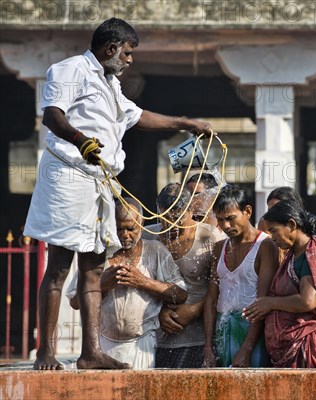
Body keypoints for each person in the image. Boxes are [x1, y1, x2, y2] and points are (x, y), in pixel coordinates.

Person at [24, 18, 213, 370]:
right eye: (127, 53)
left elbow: (138, 116)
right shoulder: (70, 69)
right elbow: (51, 115)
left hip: (100, 181)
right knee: (59, 268)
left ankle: (90, 352)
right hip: (69, 176)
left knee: (94, 269)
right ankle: (46, 353)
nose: (129, 60)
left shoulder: (111, 85)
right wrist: (81, 141)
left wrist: (186, 123)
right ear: (111, 49)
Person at [68, 198, 188, 369]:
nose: (125, 235)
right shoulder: (98, 253)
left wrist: (143, 281)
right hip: (102, 345)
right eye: (119, 229)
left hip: (142, 345)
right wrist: (101, 286)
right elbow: (74, 302)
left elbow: (180, 294)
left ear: (142, 223)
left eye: (131, 228)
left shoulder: (155, 251)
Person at [243, 201, 316, 368]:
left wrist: (270, 303)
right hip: (286, 346)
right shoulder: (294, 254)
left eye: (274, 231)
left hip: (306, 347)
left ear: (291, 224)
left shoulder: (312, 252)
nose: (272, 237)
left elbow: (308, 301)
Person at [144, 183, 223, 368]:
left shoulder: (211, 237)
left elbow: (226, 285)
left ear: (190, 210)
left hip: (199, 340)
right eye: (165, 219)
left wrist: (195, 309)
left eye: (178, 219)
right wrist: (158, 314)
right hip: (155, 338)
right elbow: (138, 285)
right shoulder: (147, 236)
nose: (171, 226)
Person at [203, 185, 278, 367]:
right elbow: (212, 300)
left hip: (252, 333)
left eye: (231, 218)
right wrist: (207, 346)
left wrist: (246, 349)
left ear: (248, 211)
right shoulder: (219, 247)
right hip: (222, 329)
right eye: (220, 220)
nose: (226, 226)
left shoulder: (266, 246)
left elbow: (262, 303)